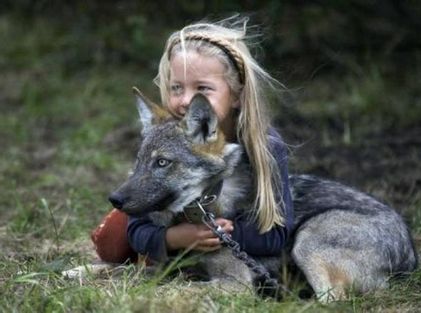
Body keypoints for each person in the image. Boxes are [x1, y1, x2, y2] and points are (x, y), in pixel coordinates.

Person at [91, 16, 294, 264]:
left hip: (225, 231)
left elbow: (277, 235)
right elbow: (138, 230)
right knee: (112, 241)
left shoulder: (267, 145)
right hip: (171, 214)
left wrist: (211, 234)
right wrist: (174, 238)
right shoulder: (163, 132)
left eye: (202, 88)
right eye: (177, 87)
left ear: (237, 94)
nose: (186, 100)